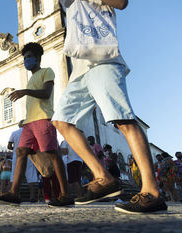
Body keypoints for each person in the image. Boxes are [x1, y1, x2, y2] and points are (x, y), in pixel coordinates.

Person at [52, 0, 167, 214]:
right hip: (79, 69)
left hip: (103, 59)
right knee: (61, 121)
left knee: (123, 119)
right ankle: (103, 177)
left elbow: (122, 2)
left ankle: (152, 192)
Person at [0, 42, 72, 206]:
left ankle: (65, 194)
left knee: (52, 154)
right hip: (29, 123)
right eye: (25, 58)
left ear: (38, 58)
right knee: (20, 152)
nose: (26, 60)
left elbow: (46, 93)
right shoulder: (31, 79)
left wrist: (25, 91)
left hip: (43, 119)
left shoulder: (46, 72)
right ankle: (14, 193)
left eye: (29, 57)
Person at [7, 120, 39, 202]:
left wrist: (15, 148)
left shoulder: (14, 133)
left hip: (17, 156)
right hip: (29, 155)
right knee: (31, 176)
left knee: (14, 175)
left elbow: (9, 146)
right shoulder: (31, 132)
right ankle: (32, 196)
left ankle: (16, 194)